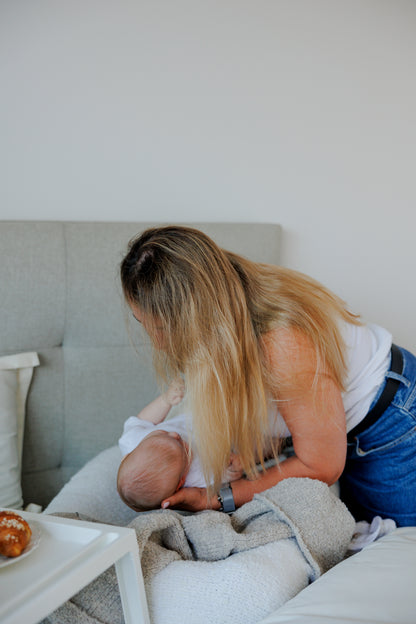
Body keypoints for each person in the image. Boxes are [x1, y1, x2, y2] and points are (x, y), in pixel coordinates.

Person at [120, 225, 416, 526]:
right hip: (347, 434)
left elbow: (322, 464)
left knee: (396, 551)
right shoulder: (231, 301)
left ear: (194, 314)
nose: (157, 343)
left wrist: (219, 497)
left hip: (392, 425)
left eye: (159, 329)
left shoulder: (282, 342)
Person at [117, 380, 244, 511]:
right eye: (182, 446)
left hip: (195, 411)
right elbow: (226, 479)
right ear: (181, 482)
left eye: (164, 433)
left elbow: (142, 420)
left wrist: (165, 401)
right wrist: (233, 469)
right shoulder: (197, 477)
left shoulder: (131, 440)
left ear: (126, 456)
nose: (175, 435)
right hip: (229, 428)